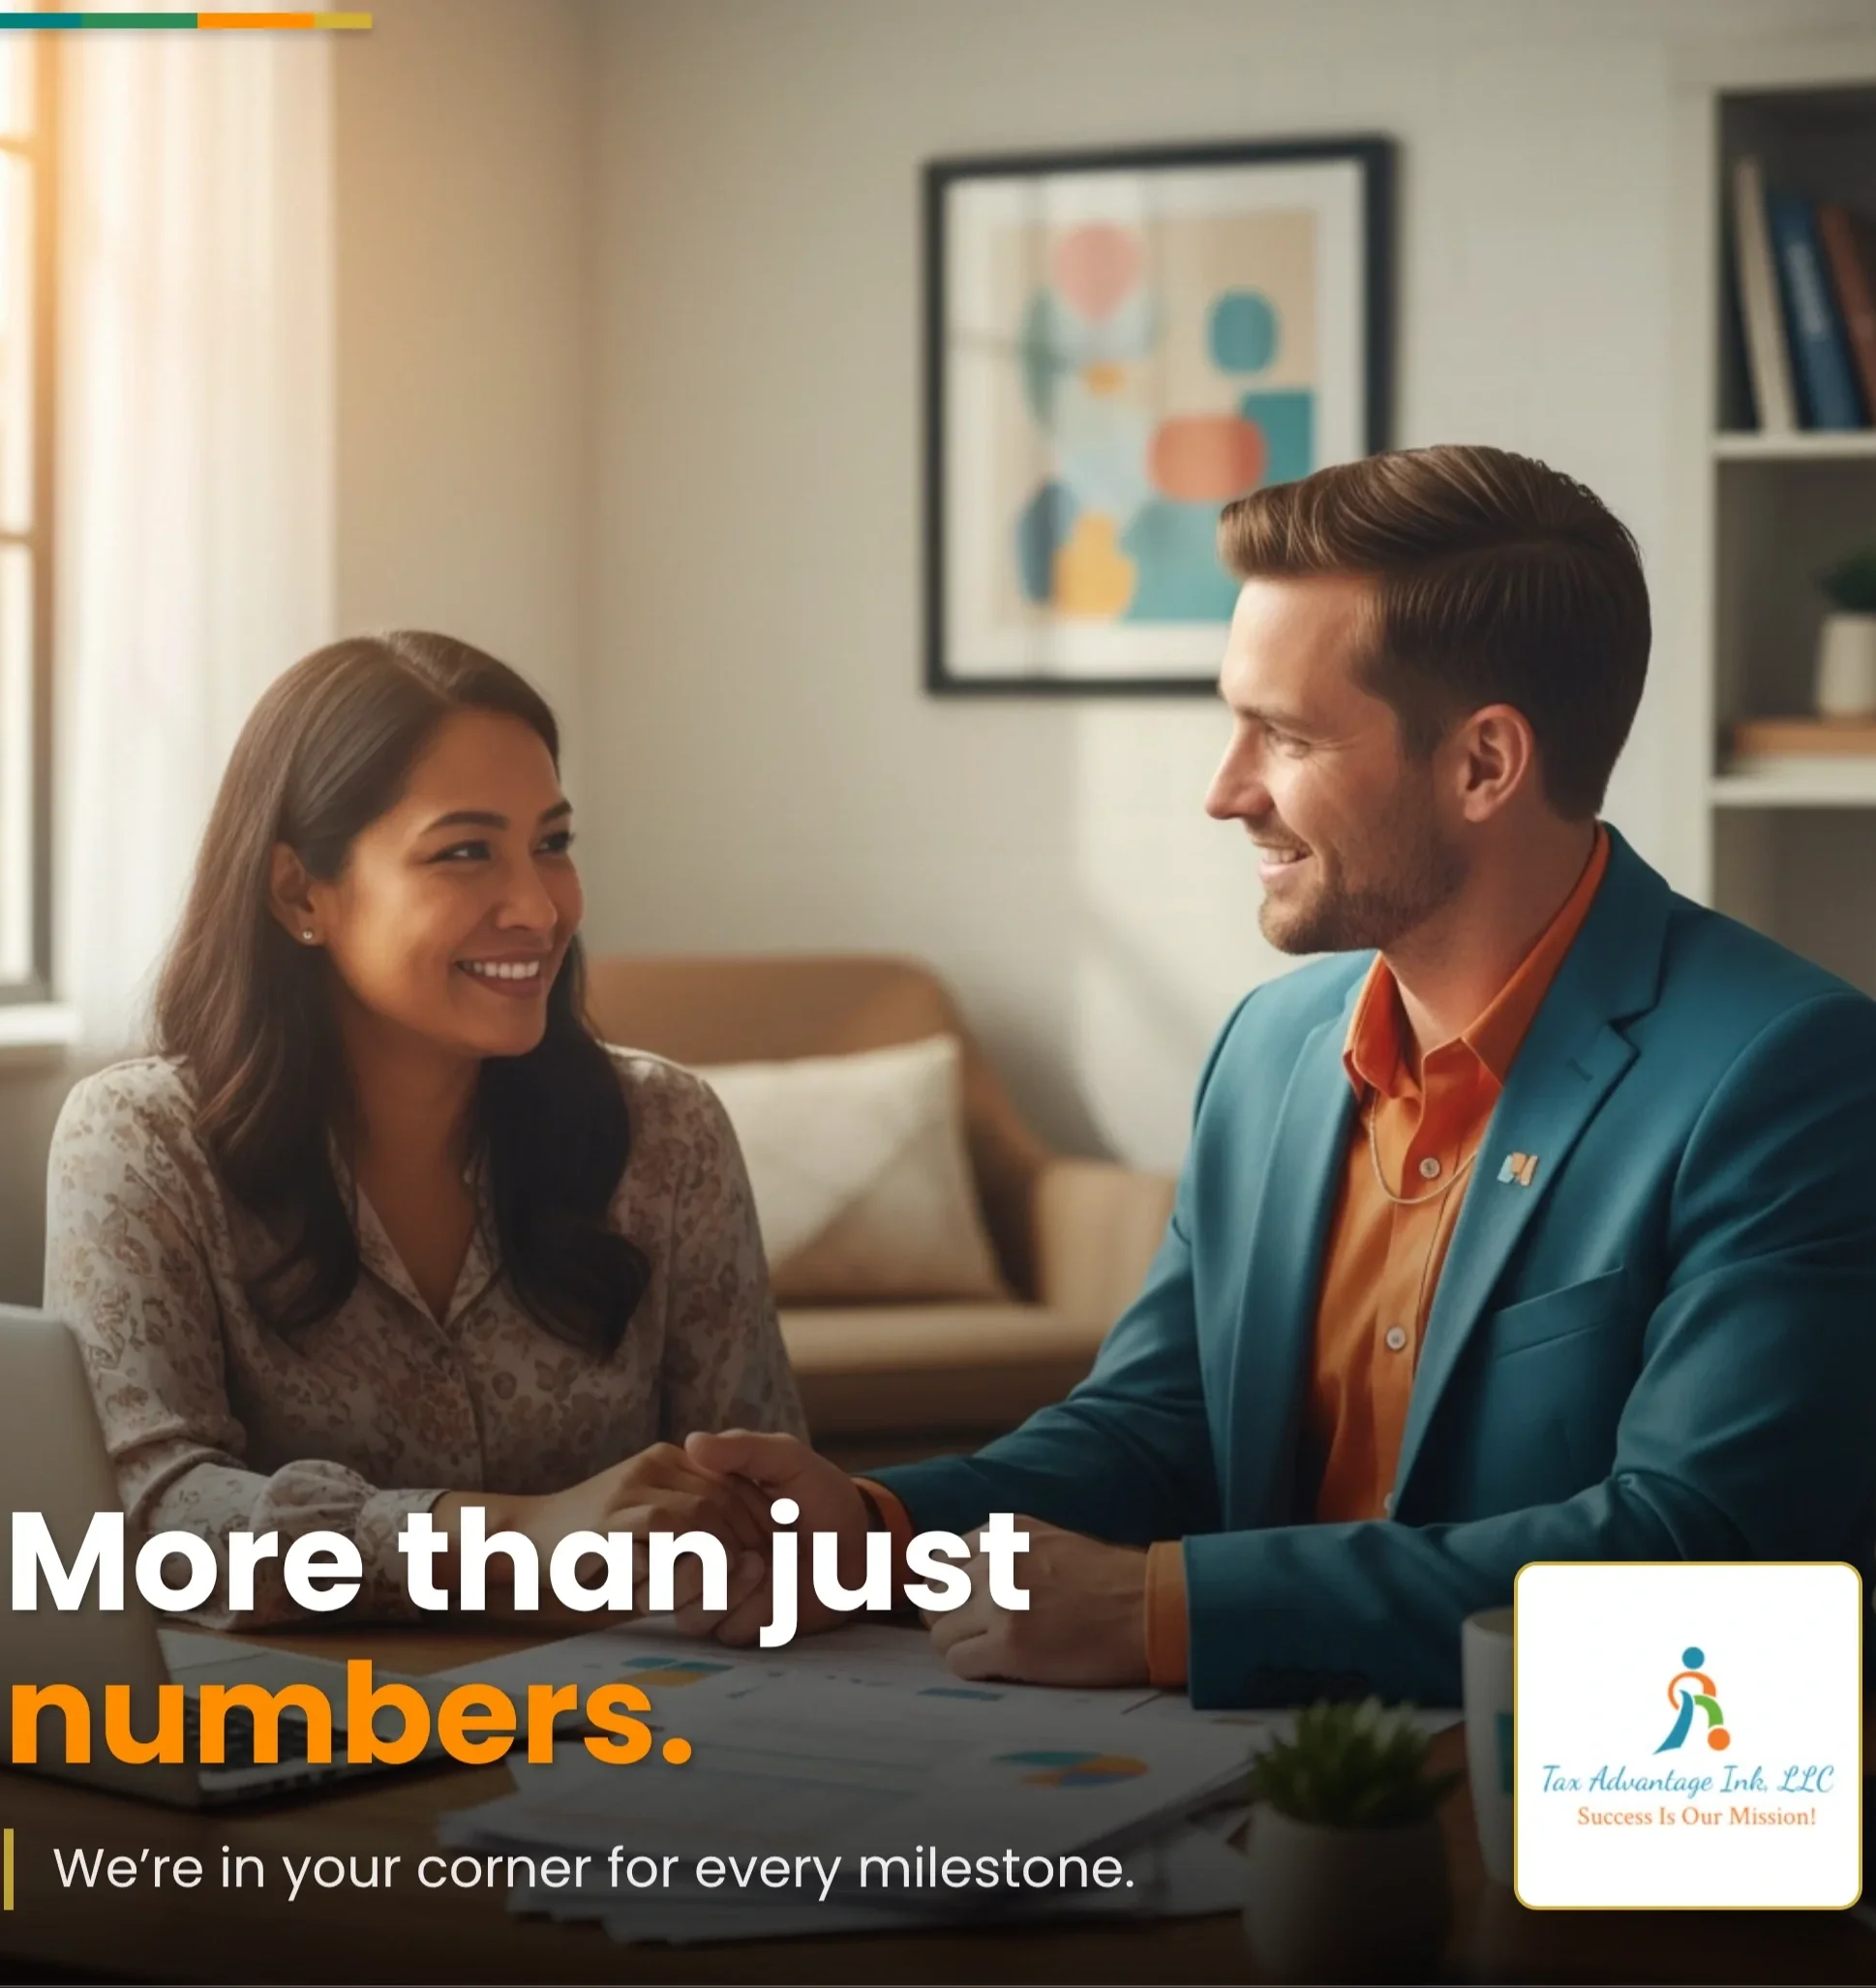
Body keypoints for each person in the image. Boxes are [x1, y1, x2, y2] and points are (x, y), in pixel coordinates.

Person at [684, 444, 1876, 1706]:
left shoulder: (1787, 1075)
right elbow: (1160, 1425)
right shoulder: (1269, 1048)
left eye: (1286, 734)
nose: (1223, 789)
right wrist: (872, 1530)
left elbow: (1693, 1554)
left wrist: (1163, 1610)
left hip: (1568, 1813)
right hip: (1229, 1789)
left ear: (1483, 764)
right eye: (1231, 720)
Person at [45, 631, 802, 1627]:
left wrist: (760, 1551)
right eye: (464, 852)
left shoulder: (666, 1131)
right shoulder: (143, 1143)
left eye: (552, 843)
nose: (538, 906)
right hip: (302, 1733)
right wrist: (508, 1533)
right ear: (298, 891)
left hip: (624, 1729)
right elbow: (142, 1520)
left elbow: (768, 1499)